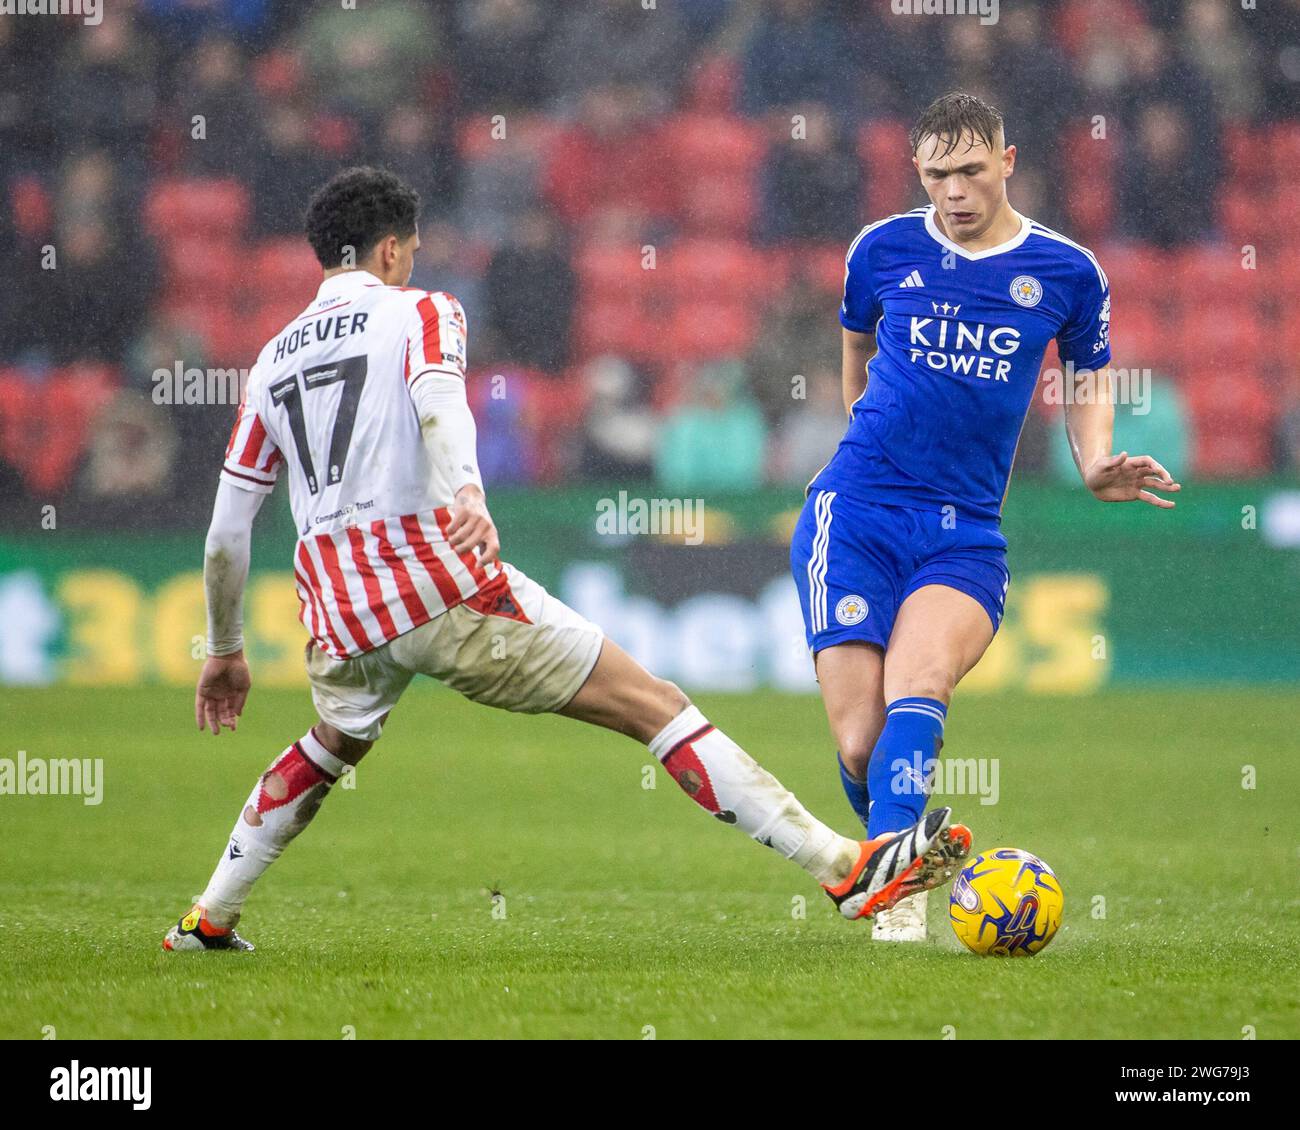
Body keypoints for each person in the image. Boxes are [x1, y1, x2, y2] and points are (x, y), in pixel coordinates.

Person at [163, 167, 971, 952]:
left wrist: (226, 648)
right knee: (652, 705)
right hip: (439, 582)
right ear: (389, 252)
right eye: (409, 249)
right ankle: (844, 868)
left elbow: (228, 525)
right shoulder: (421, 311)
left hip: (338, 611)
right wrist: (468, 497)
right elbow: (438, 402)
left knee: (331, 745)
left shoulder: (271, 359)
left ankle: (209, 917)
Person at [789, 93, 1180, 943]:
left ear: (1008, 161)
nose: (955, 192)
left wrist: (1094, 461)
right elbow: (857, 347)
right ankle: (902, 847)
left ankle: (898, 896)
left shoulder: (1068, 271)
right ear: (917, 172)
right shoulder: (882, 249)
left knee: (919, 685)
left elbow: (1084, 376)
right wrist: (866, 438)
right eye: (937, 175)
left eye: (971, 171)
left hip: (963, 531)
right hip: (853, 514)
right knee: (860, 745)